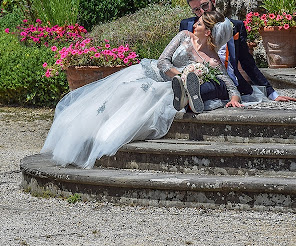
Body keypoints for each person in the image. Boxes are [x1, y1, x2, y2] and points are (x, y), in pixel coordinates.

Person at [41, 10, 239, 169]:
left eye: (200, 23)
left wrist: (235, 96)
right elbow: (163, 61)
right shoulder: (183, 36)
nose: (195, 23)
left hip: (170, 88)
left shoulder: (211, 58)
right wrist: (180, 75)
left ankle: (105, 138)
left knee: (143, 106)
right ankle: (85, 136)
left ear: (208, 32)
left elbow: (228, 81)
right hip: (154, 74)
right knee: (123, 93)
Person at [179, 0, 296, 102]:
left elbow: (247, 62)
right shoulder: (187, 26)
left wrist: (272, 94)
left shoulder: (235, 26)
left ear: (213, 1)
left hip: (228, 82)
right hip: (196, 77)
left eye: (204, 5)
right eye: (196, 10)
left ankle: (189, 98)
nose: (202, 12)